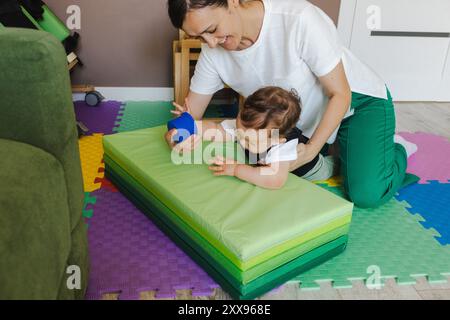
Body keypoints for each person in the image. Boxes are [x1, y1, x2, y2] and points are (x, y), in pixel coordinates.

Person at [166, 0, 419, 207]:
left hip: (357, 103)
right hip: (300, 124)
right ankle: (339, 147)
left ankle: (397, 149)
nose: (209, 43)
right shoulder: (213, 54)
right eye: (198, 37)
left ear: (232, 2)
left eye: (211, 30)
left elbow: (341, 94)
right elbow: (189, 117)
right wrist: (178, 134)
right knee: (309, 164)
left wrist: (309, 151)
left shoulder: (299, 19)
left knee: (365, 193)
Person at [173, 86, 335, 189]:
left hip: (313, 170)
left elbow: (276, 179)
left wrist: (237, 169)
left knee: (333, 167)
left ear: (277, 139)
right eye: (240, 133)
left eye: (249, 141)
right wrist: (190, 124)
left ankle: (336, 158)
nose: (241, 140)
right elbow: (214, 129)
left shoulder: (283, 146)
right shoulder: (247, 126)